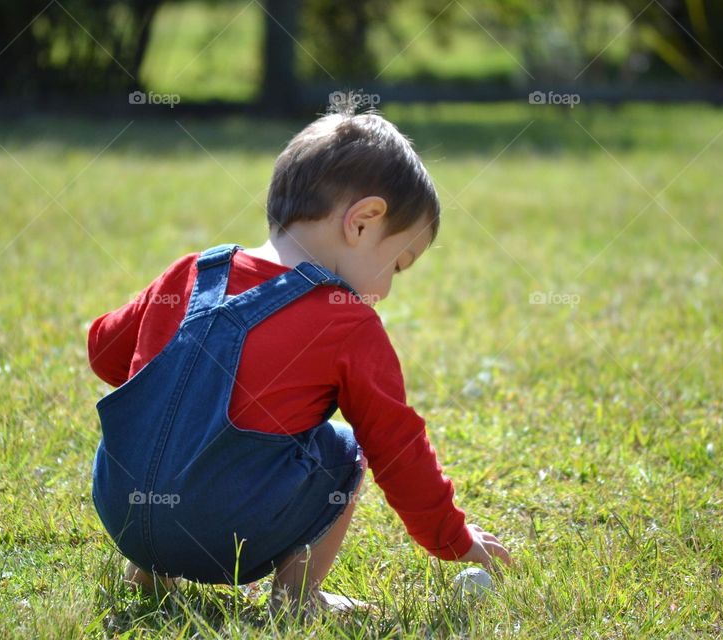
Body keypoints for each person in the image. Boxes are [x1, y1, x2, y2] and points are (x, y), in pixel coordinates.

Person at [87, 106, 511, 615]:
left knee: (169, 425)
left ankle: (148, 576)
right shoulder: (346, 323)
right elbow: (397, 449)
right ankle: (297, 599)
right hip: (226, 530)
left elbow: (106, 352)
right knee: (347, 446)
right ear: (362, 222)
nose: (389, 288)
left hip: (123, 511)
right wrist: (454, 538)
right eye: (398, 264)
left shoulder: (192, 272)